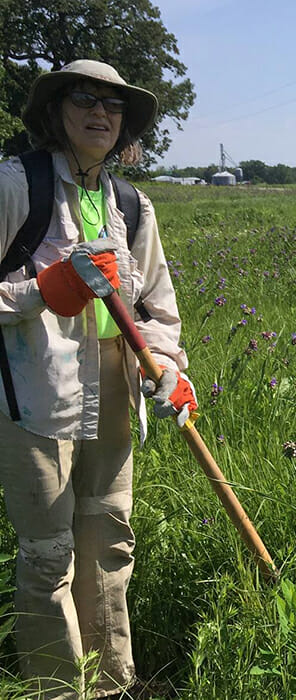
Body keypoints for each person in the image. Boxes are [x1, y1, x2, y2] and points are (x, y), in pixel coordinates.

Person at [0, 59, 195, 698]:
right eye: (84, 99)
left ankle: (114, 683)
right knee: (48, 554)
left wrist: (167, 370)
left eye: (113, 106)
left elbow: (156, 310)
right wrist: (42, 290)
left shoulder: (133, 206)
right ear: (56, 111)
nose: (100, 113)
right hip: (33, 398)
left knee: (108, 541)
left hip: (113, 392)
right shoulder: (15, 187)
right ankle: (57, 691)